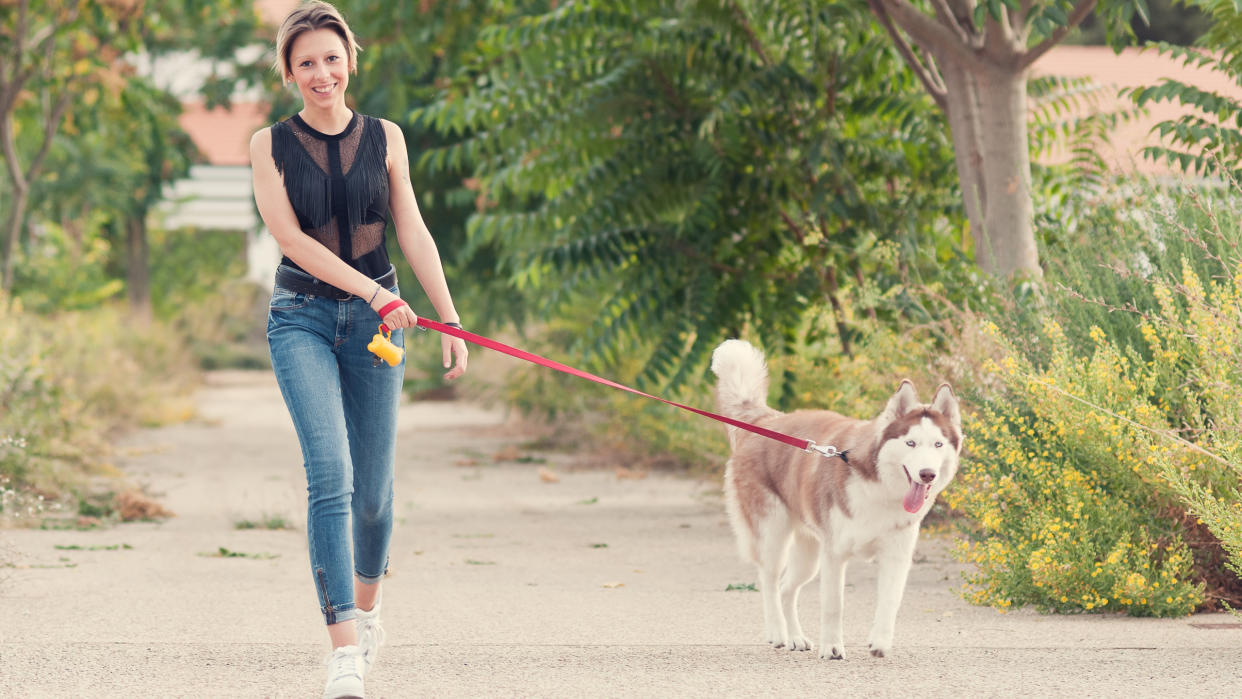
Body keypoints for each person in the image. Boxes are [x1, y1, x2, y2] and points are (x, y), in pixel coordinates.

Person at [249, 2, 468, 696]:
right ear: (289, 71)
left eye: (332, 58)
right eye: (307, 62)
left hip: (381, 329)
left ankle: (368, 610)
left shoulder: (387, 138)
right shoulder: (269, 145)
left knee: (373, 495)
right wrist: (375, 294)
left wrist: (450, 317)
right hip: (302, 318)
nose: (322, 73)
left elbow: (414, 231)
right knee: (330, 475)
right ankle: (342, 643)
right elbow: (291, 239)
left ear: (351, 60)